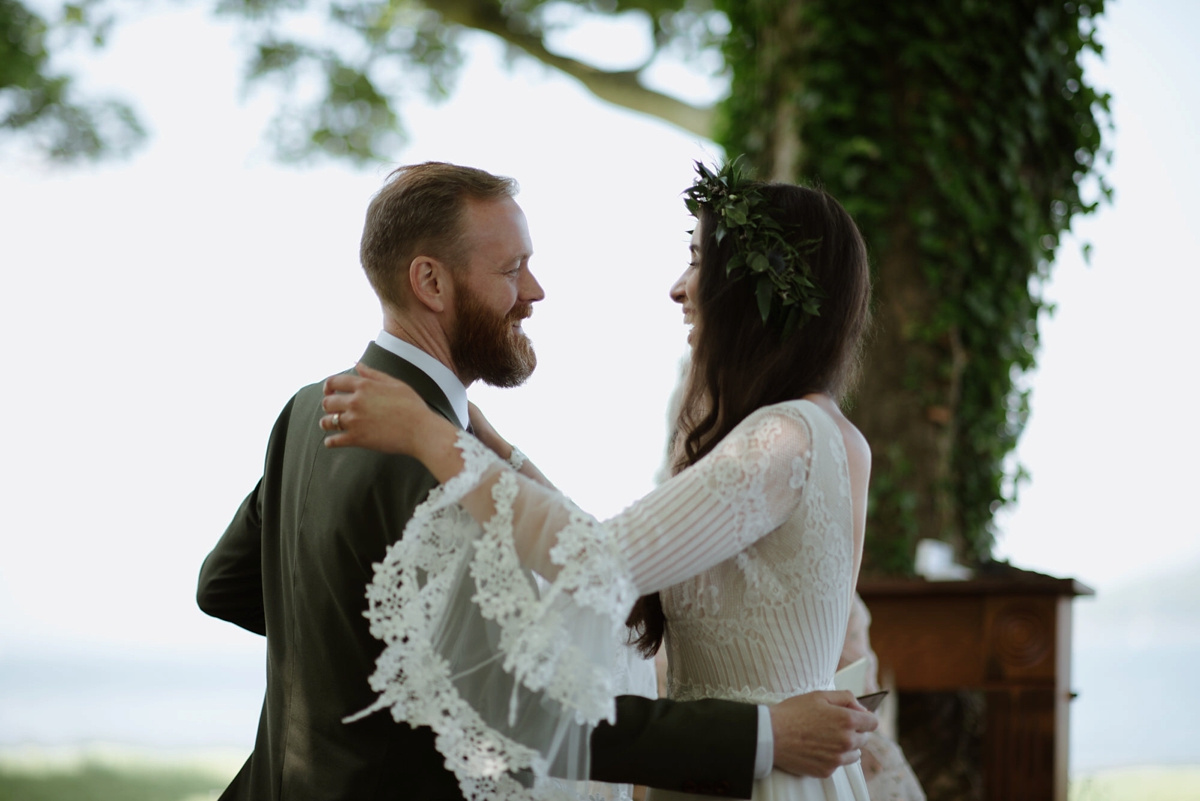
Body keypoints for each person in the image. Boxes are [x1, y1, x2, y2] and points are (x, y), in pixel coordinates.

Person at [198, 162, 875, 801]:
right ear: (432, 283)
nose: (535, 291)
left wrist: (370, 655)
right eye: (513, 268)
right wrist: (411, 668)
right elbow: (525, 694)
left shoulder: (308, 410)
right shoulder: (435, 457)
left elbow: (226, 584)